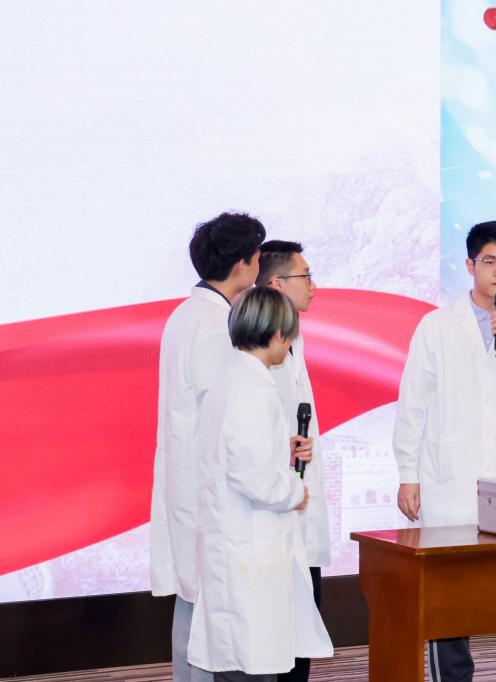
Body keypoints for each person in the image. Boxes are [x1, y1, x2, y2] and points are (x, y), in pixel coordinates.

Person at [393, 220, 496, 682]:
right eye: (490, 262)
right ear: (470, 266)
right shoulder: (436, 326)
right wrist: (408, 474)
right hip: (449, 479)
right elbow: (413, 403)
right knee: (449, 597)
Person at [188, 287, 333, 680]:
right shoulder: (252, 389)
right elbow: (252, 477)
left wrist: (281, 450)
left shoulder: (235, 379)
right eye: (289, 335)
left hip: (238, 543)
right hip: (248, 548)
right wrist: (296, 491)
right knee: (249, 666)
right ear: (276, 334)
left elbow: (238, 454)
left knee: (243, 661)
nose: (290, 344)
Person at [150, 212, 265, 682]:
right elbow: (228, 412)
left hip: (192, 482)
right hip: (209, 488)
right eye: (257, 258)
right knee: (207, 612)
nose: (259, 266)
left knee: (194, 601)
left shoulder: (188, 314)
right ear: (241, 265)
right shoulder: (216, 326)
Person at [256, 241, 329, 682]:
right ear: (277, 283)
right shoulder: (260, 348)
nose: (314, 286)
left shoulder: (294, 340)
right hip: (276, 509)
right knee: (281, 640)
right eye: (306, 276)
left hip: (298, 503)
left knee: (302, 629)